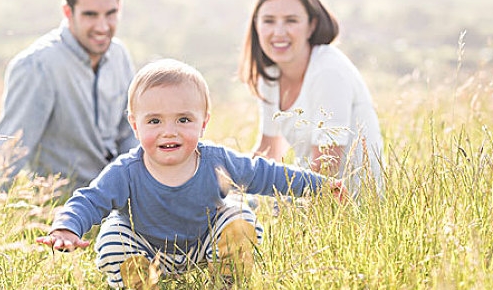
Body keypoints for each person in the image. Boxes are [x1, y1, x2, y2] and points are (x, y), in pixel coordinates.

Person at [36, 59, 347, 289]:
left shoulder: (215, 161)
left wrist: (317, 185)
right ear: (134, 124)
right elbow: (90, 200)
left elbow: (265, 175)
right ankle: (141, 283)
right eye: (154, 121)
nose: (168, 132)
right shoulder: (126, 171)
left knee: (239, 218)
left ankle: (226, 280)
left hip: (204, 247)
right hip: (147, 247)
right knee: (114, 238)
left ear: (203, 122)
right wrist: (67, 228)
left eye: (183, 119)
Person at [0, 0, 138, 193]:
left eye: (110, 14)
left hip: (118, 199)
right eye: (90, 15)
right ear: (68, 12)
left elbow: (131, 132)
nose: (103, 27)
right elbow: (8, 150)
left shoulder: (119, 55)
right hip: (64, 205)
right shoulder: (37, 66)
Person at [239, 0, 384, 197]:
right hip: (305, 193)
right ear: (256, 25)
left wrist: (287, 212)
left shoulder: (328, 70)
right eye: (268, 21)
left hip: (351, 202)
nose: (278, 32)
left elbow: (327, 164)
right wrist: (233, 192)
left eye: (291, 20)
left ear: (311, 25)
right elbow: (269, 150)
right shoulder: (270, 76)